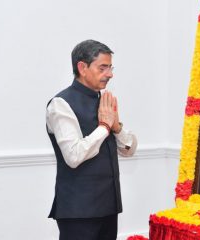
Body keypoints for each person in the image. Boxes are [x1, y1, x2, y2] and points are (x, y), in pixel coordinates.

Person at [46, 39, 137, 240]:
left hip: (108, 207)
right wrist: (104, 127)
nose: (110, 74)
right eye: (103, 67)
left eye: (111, 67)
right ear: (82, 67)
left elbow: (129, 149)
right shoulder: (60, 104)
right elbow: (74, 155)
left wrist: (116, 127)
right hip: (79, 211)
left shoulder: (103, 102)